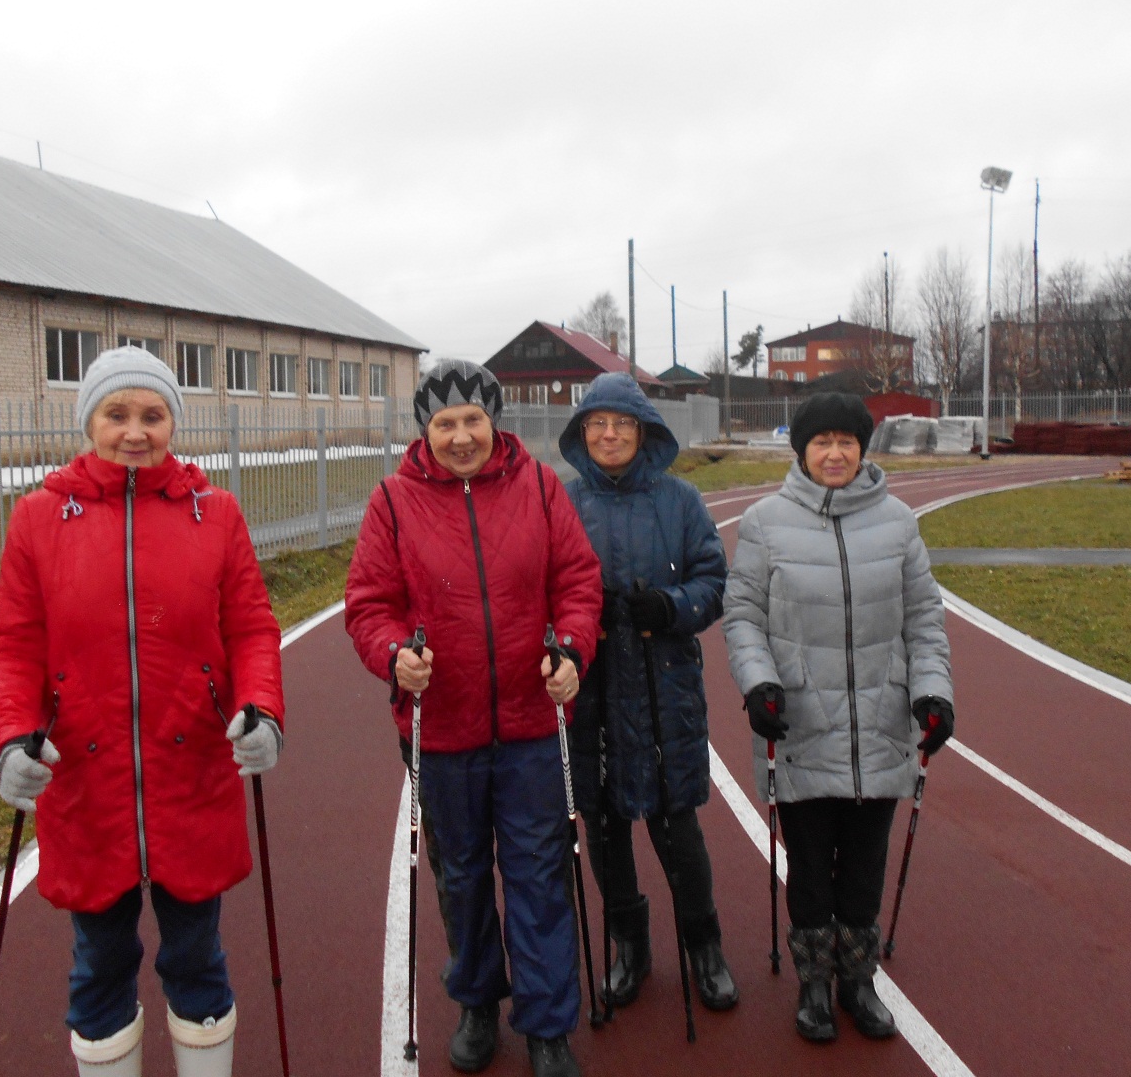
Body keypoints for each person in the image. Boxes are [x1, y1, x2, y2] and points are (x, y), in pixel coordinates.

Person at [0, 345, 285, 1077]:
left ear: (172, 423)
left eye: (152, 414)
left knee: (196, 959)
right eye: (116, 413)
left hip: (192, 778)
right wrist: (8, 740)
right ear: (89, 419)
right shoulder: (37, 519)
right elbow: (15, 646)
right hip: (88, 787)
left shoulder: (215, 514)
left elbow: (250, 627)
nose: (135, 430)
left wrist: (261, 708)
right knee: (99, 965)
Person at [344, 359, 603, 1077]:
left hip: (531, 724)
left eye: (473, 421)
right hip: (443, 731)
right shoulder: (392, 502)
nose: (461, 437)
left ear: (496, 421)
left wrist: (573, 649)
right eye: (444, 423)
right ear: (424, 430)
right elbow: (368, 604)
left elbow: (577, 581)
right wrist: (394, 654)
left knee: (538, 873)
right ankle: (479, 1001)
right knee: (460, 878)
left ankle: (548, 1024)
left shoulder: (542, 487)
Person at [722, 392, 954, 1044]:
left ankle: (858, 980)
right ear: (801, 450)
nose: (833, 453)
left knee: (862, 869)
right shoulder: (765, 522)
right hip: (799, 728)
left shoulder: (900, 523)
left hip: (881, 730)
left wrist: (934, 694)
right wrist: (759, 683)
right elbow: (743, 618)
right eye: (820, 442)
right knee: (809, 873)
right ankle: (815, 986)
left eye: (846, 442)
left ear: (862, 448)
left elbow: (925, 622)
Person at [557, 373, 737, 1013]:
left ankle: (704, 943)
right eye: (598, 424)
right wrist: (570, 626)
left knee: (674, 824)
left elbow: (713, 580)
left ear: (643, 432)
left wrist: (669, 605)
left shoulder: (681, 501)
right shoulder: (562, 501)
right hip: (591, 691)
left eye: (623, 424)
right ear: (583, 434)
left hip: (664, 691)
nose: (610, 435)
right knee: (602, 826)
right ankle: (629, 943)